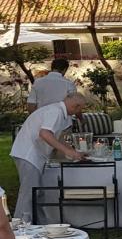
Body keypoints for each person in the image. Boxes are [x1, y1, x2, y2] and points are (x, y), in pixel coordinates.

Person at [11, 94, 87, 223]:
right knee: (29, 193)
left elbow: (58, 138)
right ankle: (21, 225)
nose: (79, 112)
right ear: (76, 106)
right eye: (80, 109)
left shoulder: (61, 114)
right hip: (28, 153)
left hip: (34, 154)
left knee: (38, 193)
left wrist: (74, 152)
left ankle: (41, 225)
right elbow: (45, 134)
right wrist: (67, 151)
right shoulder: (55, 111)